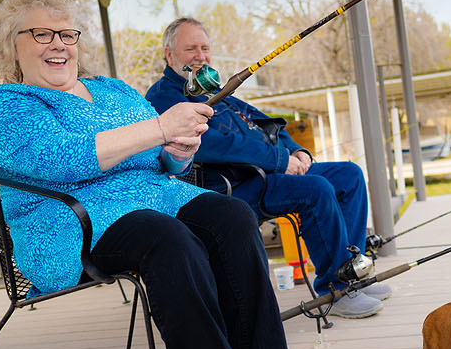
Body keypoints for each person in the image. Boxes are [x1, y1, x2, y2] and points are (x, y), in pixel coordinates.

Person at [0, 0, 307, 349]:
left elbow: (162, 162)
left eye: (66, 33)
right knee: (168, 240)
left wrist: (179, 150)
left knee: (232, 216)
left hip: (156, 199)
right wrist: (160, 128)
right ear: (12, 45)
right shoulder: (11, 106)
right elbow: (63, 159)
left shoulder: (112, 89)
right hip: (70, 222)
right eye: (41, 34)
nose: (58, 44)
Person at [143, 17, 392, 318]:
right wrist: (280, 160)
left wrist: (295, 151)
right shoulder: (163, 97)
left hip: (269, 173)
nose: (201, 56)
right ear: (169, 55)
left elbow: (264, 122)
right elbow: (212, 144)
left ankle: (352, 275)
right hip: (231, 187)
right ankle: (334, 290)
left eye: (205, 48)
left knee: (349, 175)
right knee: (316, 189)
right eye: (190, 49)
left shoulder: (212, 88)